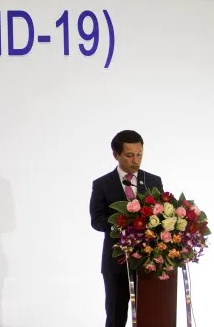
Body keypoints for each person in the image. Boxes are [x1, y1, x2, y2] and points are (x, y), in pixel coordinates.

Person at [89, 130, 163, 327]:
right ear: (116, 155)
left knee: (150, 316)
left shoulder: (153, 181)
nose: (136, 160)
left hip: (148, 261)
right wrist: (123, 225)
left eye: (139, 154)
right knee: (116, 317)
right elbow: (97, 220)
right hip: (116, 262)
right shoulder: (102, 184)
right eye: (130, 155)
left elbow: (162, 215)